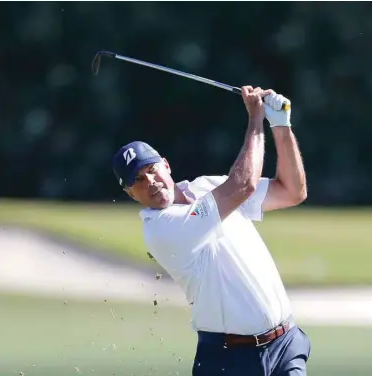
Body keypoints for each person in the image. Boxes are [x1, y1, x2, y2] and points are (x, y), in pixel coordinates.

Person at [112, 86, 310, 376]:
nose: (151, 181)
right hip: (229, 360)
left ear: (166, 165)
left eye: (152, 169)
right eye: (138, 181)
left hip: (284, 344)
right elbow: (243, 186)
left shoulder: (206, 185)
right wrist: (256, 120)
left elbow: (292, 191)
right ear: (131, 194)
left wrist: (280, 125)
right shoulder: (160, 229)